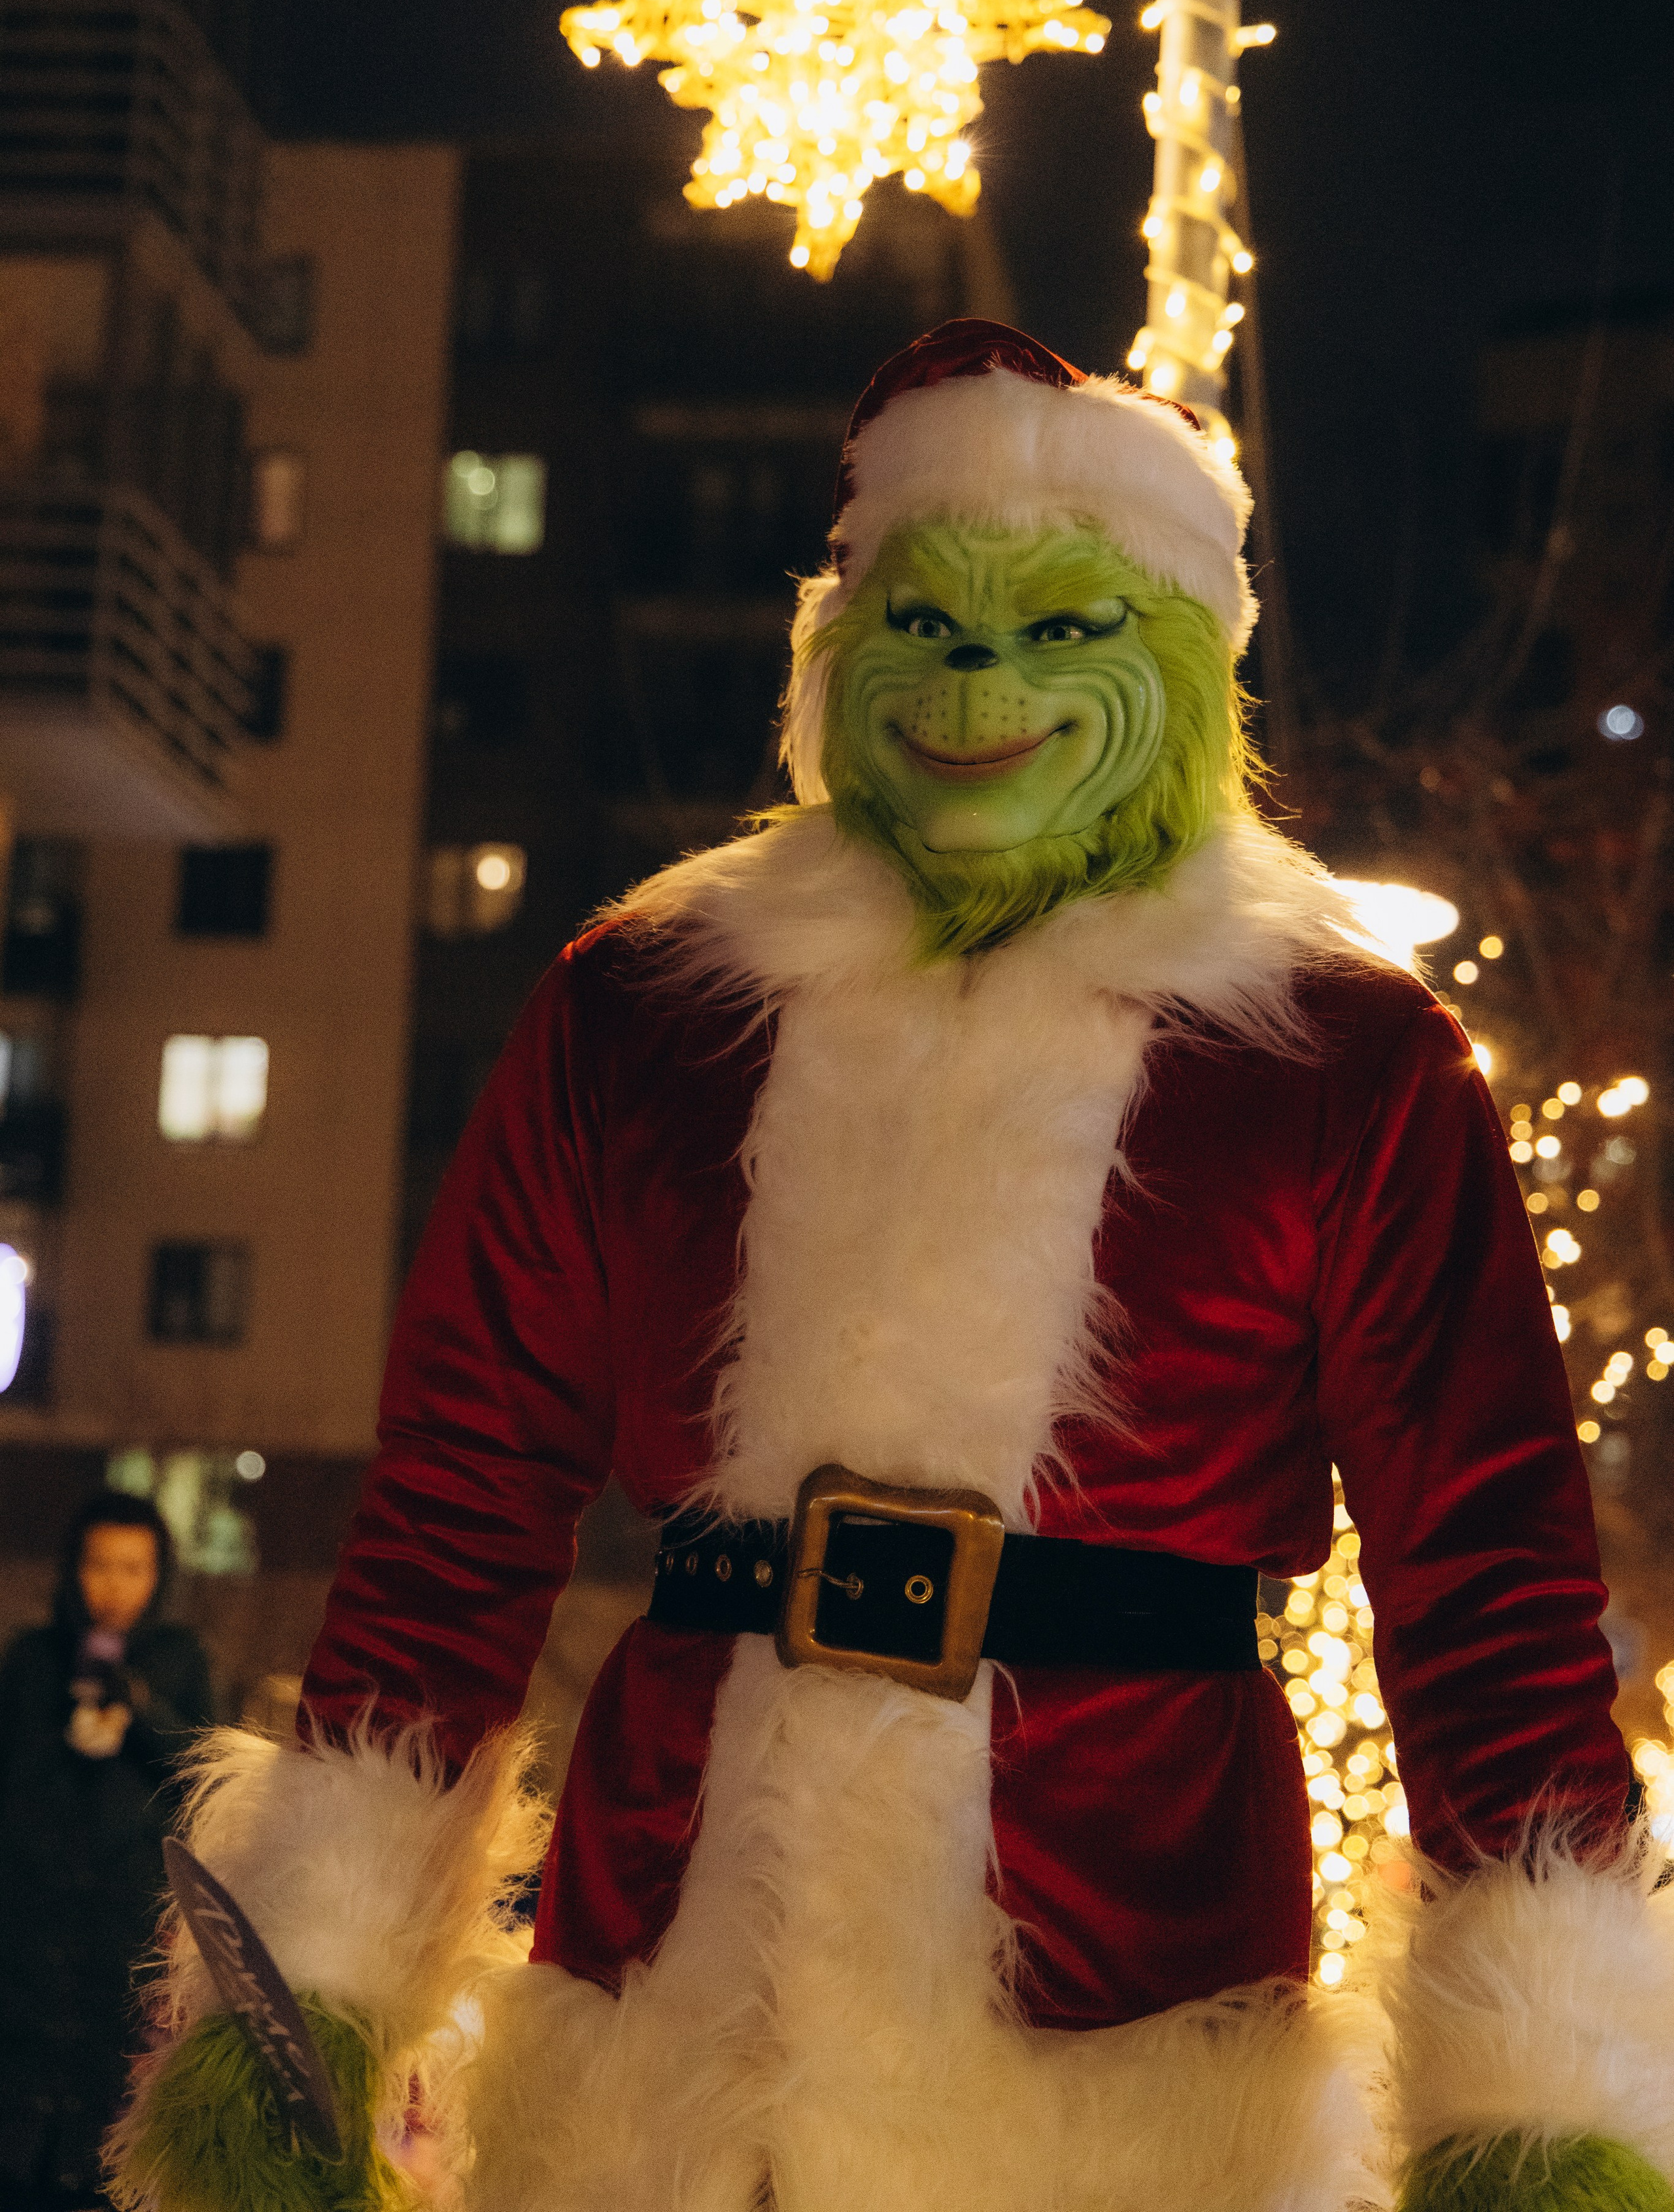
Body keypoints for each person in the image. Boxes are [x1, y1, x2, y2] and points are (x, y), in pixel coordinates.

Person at [112, 322, 1672, 2212]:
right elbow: (457, 1501)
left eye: (1062, 634)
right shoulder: (644, 1011)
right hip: (676, 2016)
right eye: (930, 628)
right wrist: (315, 1985)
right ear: (838, 655)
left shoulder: (1341, 1056)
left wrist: (1546, 2110)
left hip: (1127, 2023)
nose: (978, 693)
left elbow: (1488, 1575)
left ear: (1179, 667)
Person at [0, 1492, 212, 2211]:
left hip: (123, 1921)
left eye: (133, 1567)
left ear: (159, 1576)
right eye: (99, 1565)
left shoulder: (179, 1659)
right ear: (73, 1570)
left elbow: (201, 1774)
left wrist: (140, 1708)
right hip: (29, 1914)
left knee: (104, 2101)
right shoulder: (33, 1657)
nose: (114, 1585)